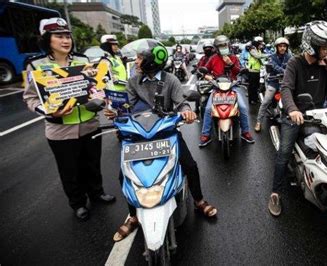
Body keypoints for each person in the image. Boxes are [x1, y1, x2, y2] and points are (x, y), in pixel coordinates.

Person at [104, 43, 218, 242]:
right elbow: (125, 107)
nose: (136, 62)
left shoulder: (170, 79)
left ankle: (199, 200)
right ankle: (133, 216)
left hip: (165, 132)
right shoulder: (133, 82)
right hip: (138, 135)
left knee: (190, 165)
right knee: (125, 175)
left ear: (150, 61)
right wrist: (115, 112)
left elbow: (181, 101)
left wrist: (186, 111)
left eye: (139, 58)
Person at [23, 18, 115, 221]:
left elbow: (97, 87)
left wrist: (101, 98)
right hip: (60, 131)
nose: (65, 40)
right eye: (59, 36)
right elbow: (29, 97)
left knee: (92, 164)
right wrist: (48, 111)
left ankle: (97, 193)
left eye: (67, 36)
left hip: (90, 124)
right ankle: (78, 203)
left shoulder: (83, 61)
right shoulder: (36, 66)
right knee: (69, 171)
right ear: (47, 39)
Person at [267, 21, 327, 216]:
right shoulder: (294, 63)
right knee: (284, 153)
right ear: (311, 45)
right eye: (324, 47)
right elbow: (286, 88)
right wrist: (293, 110)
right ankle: (275, 193)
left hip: (319, 115)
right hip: (295, 115)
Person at [199, 35, 255, 147]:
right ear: (216, 48)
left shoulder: (234, 58)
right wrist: (207, 76)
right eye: (220, 46)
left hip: (233, 87)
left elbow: (239, 71)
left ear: (228, 45)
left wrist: (230, 63)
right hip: (217, 88)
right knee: (209, 108)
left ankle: (245, 132)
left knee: (243, 107)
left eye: (224, 45)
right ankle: (206, 134)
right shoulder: (213, 58)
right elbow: (204, 70)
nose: (223, 47)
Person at [254, 37, 292, 132]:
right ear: (277, 47)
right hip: (274, 82)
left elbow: (293, 67)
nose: (282, 48)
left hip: (285, 82)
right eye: (280, 46)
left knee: (293, 100)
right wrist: (285, 71)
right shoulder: (272, 57)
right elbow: (274, 66)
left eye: (284, 46)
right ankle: (258, 122)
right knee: (266, 101)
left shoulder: (290, 57)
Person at [247, 36, 270, 105]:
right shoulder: (252, 49)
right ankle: (251, 100)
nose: (261, 45)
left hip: (257, 70)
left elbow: (260, 59)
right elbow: (257, 56)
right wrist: (268, 55)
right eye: (260, 44)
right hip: (252, 71)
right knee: (252, 86)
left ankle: (255, 99)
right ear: (256, 43)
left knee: (256, 86)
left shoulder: (258, 50)